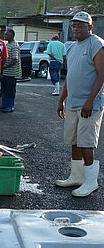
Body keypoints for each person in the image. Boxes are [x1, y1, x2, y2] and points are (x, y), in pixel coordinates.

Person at [55, 11, 104, 197]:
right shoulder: (72, 47)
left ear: (90, 27)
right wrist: (62, 100)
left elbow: (102, 75)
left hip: (90, 105)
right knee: (74, 141)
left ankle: (91, 182)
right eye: (74, 25)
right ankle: (76, 176)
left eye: (81, 25)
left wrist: (90, 101)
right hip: (73, 104)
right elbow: (70, 76)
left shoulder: (97, 44)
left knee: (86, 142)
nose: (76, 28)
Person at [0, 29, 21, 113]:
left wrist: (4, 67)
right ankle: (4, 104)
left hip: (12, 73)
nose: (5, 36)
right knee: (4, 89)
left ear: (11, 35)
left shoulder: (14, 45)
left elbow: (14, 60)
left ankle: (10, 106)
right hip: (6, 72)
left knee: (10, 90)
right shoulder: (7, 44)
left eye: (6, 34)